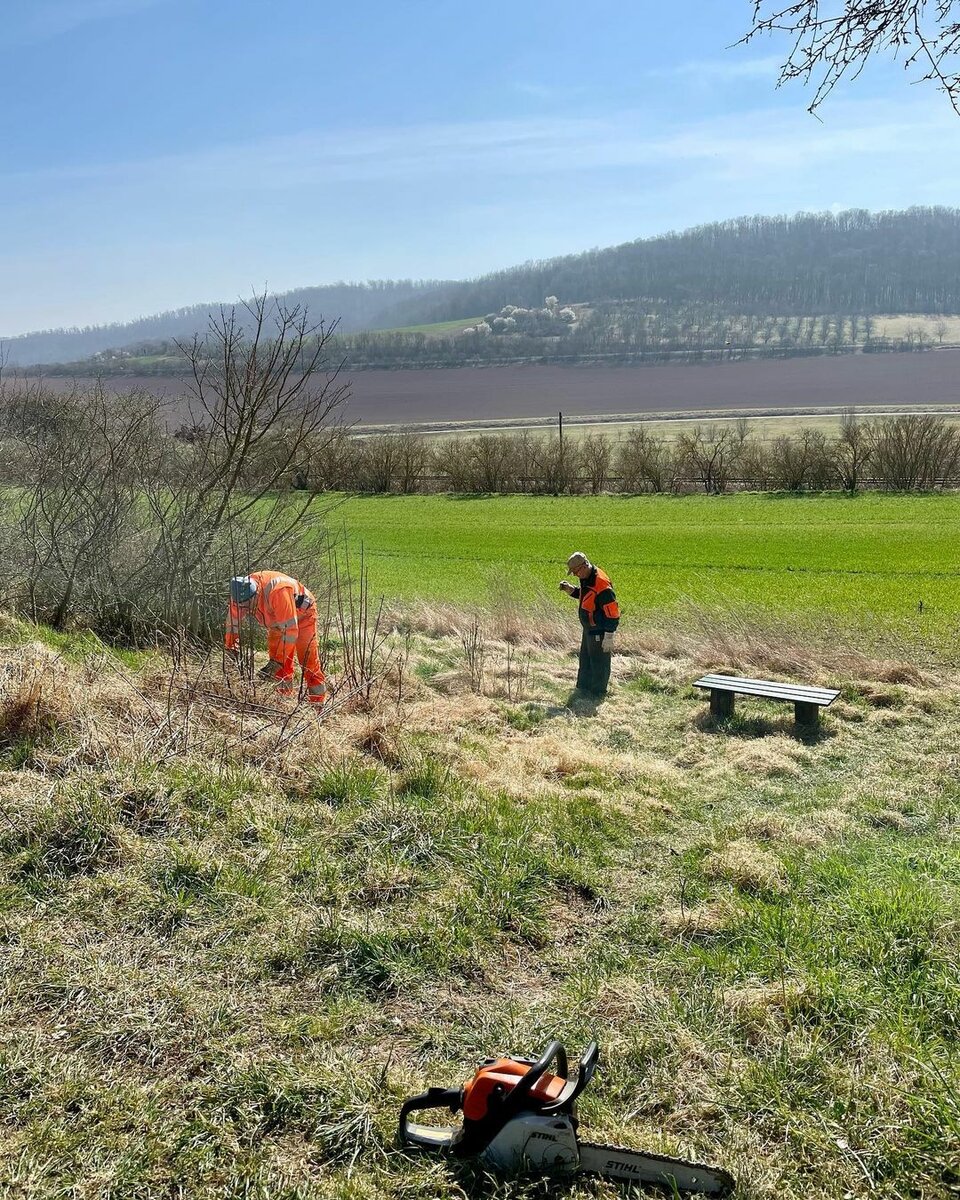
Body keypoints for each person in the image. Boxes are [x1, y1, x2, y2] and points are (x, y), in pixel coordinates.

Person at [225, 571, 328, 707]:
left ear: (256, 594)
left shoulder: (278, 591)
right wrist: (231, 649)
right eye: (242, 606)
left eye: (249, 605)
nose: (246, 609)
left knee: (307, 661)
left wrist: (277, 661)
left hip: (304, 616)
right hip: (277, 622)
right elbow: (232, 625)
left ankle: (318, 705)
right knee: (279, 665)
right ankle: (283, 702)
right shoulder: (239, 593)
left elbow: (290, 631)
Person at [559, 551, 620, 698]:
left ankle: (597, 694)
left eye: (575, 571)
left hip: (599, 630)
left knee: (599, 663)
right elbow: (587, 596)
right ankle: (583, 689)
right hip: (589, 629)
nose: (575, 575)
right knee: (585, 660)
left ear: (585, 566)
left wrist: (609, 636)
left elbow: (613, 613)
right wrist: (571, 590)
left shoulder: (602, 585)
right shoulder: (587, 577)